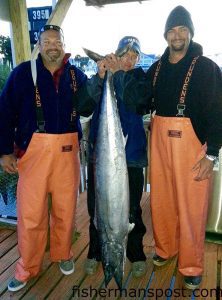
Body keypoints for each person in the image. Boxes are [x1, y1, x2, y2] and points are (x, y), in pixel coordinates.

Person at [119, 6, 222, 290]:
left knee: (192, 210)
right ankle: (166, 250)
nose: (177, 36)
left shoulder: (207, 68)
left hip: (193, 151)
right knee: (161, 202)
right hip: (161, 147)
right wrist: (120, 75)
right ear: (166, 35)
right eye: (172, 31)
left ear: (190, 33)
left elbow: (218, 112)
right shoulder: (157, 68)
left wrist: (211, 154)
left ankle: (191, 265)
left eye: (182, 30)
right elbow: (139, 101)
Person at [0, 24, 103, 292]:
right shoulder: (22, 73)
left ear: (64, 44)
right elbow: (4, 113)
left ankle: (63, 253)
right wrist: (4, 152)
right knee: (30, 215)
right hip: (33, 154)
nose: (53, 46)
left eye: (57, 42)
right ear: (39, 45)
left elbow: (87, 106)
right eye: (47, 42)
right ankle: (27, 267)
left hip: (67, 153)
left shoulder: (76, 75)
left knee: (65, 211)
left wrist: (101, 77)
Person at [84, 36, 148, 278]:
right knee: (97, 210)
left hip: (130, 159)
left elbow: (140, 100)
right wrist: (100, 78)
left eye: (134, 56)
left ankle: (136, 253)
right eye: (125, 55)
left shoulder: (141, 78)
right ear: (117, 55)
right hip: (101, 160)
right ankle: (94, 253)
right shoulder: (103, 78)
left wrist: (118, 73)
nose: (129, 60)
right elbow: (81, 106)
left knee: (132, 210)